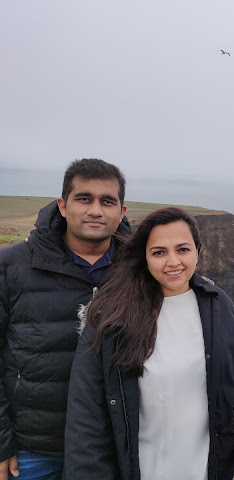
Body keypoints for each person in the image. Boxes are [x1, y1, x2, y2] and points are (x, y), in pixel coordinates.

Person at [63, 207, 234, 480]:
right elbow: (86, 414)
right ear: (145, 257)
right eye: (159, 252)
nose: (173, 262)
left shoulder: (216, 303)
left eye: (182, 249)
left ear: (197, 251)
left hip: (206, 468)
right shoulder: (111, 316)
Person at [0, 159, 129, 480]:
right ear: (62, 205)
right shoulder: (10, 266)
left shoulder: (141, 270)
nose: (95, 210)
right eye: (84, 198)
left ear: (121, 211)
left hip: (112, 447)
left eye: (107, 201)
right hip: (32, 450)